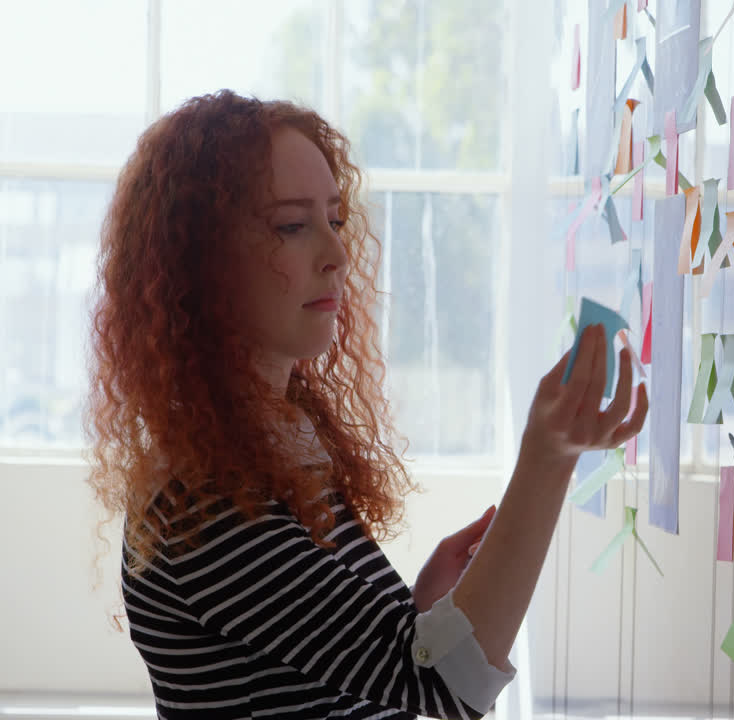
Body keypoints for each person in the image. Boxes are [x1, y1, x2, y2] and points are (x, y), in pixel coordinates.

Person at [85, 90, 648, 720]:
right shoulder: (204, 504)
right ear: (203, 263)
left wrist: (423, 613)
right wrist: (548, 457)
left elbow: (356, 674)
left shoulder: (270, 445)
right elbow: (449, 690)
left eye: (336, 219)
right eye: (292, 226)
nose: (337, 254)